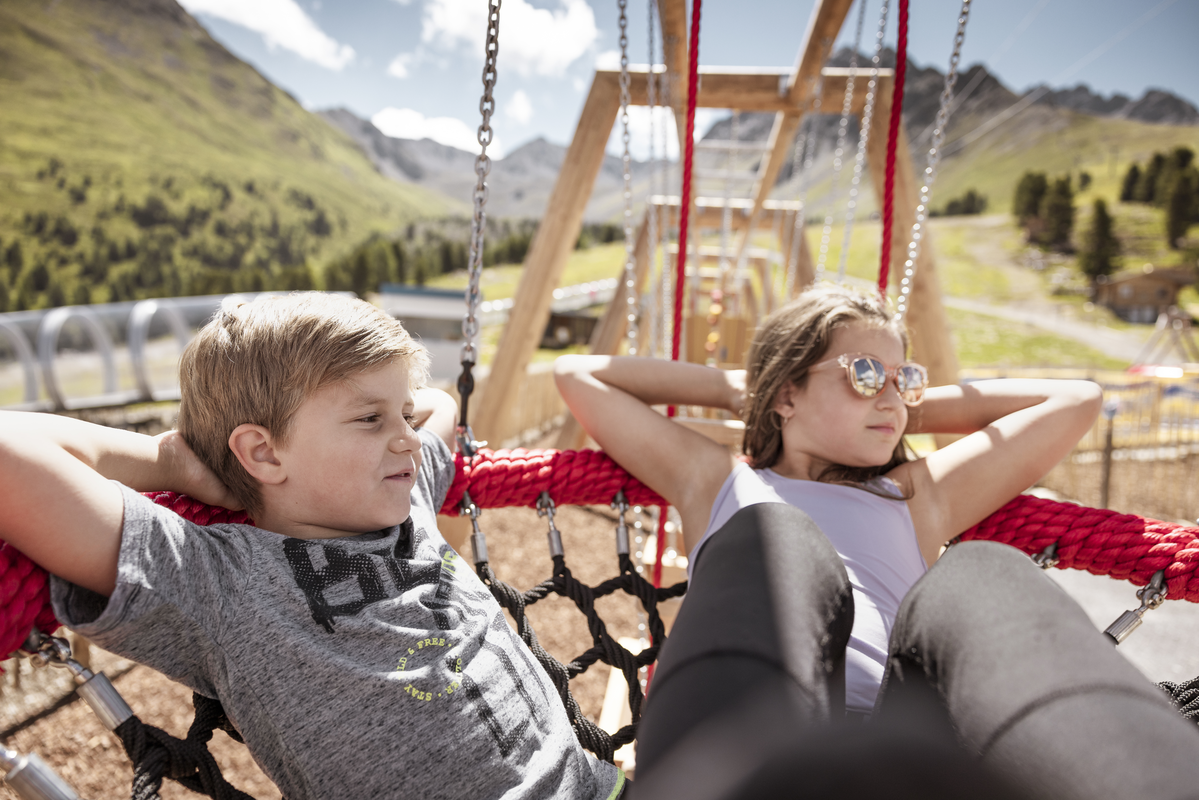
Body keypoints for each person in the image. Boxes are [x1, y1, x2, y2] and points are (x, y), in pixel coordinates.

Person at [555, 283, 1199, 800]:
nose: (891, 397)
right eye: (863, 373)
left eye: (903, 378)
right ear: (787, 392)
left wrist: (897, 403)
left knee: (982, 569)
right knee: (773, 534)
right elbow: (578, 375)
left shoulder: (914, 494)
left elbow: (1076, 400)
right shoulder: (716, 482)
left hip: (904, 744)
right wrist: (744, 390)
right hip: (749, 746)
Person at [0, 293, 627, 800]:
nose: (409, 438)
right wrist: (171, 462)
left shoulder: (405, 498)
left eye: (402, 416)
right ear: (263, 452)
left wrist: (389, 409)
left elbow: (438, 403)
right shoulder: (214, 578)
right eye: (369, 419)